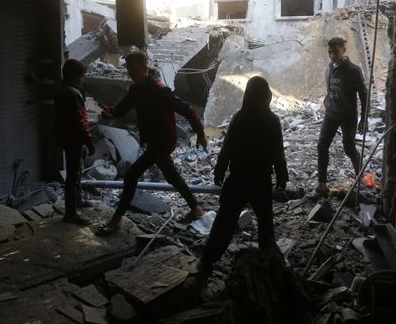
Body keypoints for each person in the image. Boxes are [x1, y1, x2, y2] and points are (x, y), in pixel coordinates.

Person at [96, 51, 208, 235]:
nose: (130, 73)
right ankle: (196, 208)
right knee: (171, 176)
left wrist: (201, 133)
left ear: (145, 69)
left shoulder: (160, 91)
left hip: (162, 141)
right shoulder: (136, 89)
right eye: (128, 69)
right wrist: (111, 112)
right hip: (153, 139)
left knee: (131, 176)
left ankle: (115, 220)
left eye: (134, 69)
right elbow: (123, 107)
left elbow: (188, 110)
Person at [198, 76, 288, 273]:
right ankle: (270, 264)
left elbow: (227, 148)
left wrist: (219, 171)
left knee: (224, 223)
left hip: (237, 179)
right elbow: (278, 154)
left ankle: (207, 262)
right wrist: (282, 177)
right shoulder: (272, 121)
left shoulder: (239, 118)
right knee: (265, 225)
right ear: (267, 96)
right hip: (261, 181)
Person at [314, 36, 368, 198]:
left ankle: (361, 179)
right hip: (331, 114)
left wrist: (363, 119)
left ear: (343, 51)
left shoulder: (353, 71)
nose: (332, 56)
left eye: (335, 52)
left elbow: (364, 96)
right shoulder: (329, 69)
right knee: (322, 146)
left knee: (349, 147)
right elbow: (330, 91)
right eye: (329, 52)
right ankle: (321, 184)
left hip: (347, 116)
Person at [54, 59, 95, 225]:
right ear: (72, 75)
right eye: (81, 76)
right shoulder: (71, 94)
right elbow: (80, 121)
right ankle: (71, 213)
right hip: (74, 139)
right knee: (73, 175)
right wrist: (89, 142)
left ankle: (77, 202)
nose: (82, 79)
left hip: (65, 137)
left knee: (76, 171)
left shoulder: (62, 90)